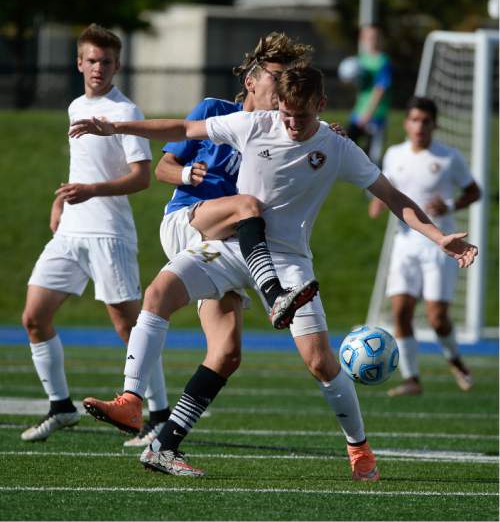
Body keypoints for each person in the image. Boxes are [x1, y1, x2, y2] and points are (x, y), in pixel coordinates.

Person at [71, 63, 477, 481]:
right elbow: (182, 129)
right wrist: (115, 128)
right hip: (231, 248)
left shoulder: (337, 148)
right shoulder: (253, 124)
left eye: (302, 116)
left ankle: (359, 448)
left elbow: (392, 196)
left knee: (320, 362)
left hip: (289, 261)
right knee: (159, 293)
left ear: (320, 104)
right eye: (286, 114)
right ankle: (133, 403)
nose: (293, 124)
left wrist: (437, 236)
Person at [123, 31, 316, 447]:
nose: (283, 90)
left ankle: (164, 440)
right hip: (186, 221)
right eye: (276, 79)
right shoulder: (215, 111)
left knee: (227, 352)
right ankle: (273, 291)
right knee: (247, 205)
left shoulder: (278, 130)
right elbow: (163, 168)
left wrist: (324, 132)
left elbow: (310, 145)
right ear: (251, 80)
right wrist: (186, 174)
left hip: (224, 244)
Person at [19, 24, 166, 442]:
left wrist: (92, 191)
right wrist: (61, 200)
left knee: (130, 328)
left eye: (106, 61)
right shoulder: (73, 106)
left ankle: (157, 415)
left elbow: (142, 178)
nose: (98, 68)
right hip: (70, 232)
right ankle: (61, 407)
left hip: (109, 234)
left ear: (117, 65)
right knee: (34, 317)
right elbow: (81, 168)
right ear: (79, 62)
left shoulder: (126, 112)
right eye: (91, 60)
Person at [368, 96, 481, 397]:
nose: (419, 126)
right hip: (404, 244)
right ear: (406, 123)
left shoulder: (448, 157)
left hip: (439, 247)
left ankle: (455, 359)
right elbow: (388, 188)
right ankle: (412, 378)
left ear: (434, 125)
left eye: (425, 121)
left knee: (436, 318)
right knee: (401, 312)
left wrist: (450, 204)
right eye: (414, 120)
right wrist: (379, 203)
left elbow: (474, 191)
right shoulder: (394, 154)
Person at [346, 24, 392, 166]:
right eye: (368, 37)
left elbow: (380, 89)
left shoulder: (383, 61)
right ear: (362, 39)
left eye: (375, 37)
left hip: (375, 115)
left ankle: (374, 187)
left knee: (373, 157)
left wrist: (368, 114)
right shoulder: (360, 60)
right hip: (358, 112)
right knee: (346, 148)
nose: (372, 40)